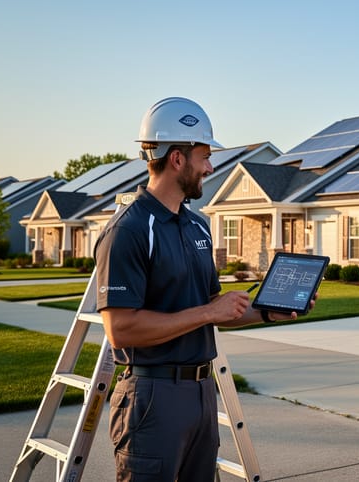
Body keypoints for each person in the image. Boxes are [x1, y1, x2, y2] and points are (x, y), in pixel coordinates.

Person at [94, 97, 300, 481]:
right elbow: (120, 329)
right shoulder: (129, 230)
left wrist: (271, 310)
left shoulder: (198, 226)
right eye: (204, 156)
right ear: (176, 159)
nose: (210, 166)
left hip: (202, 393)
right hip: (152, 395)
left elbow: (214, 307)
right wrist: (209, 312)